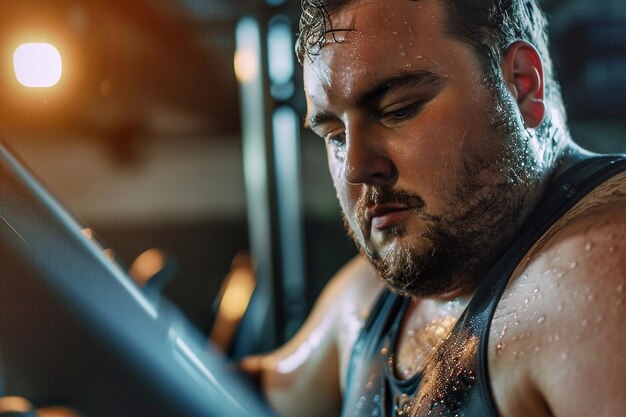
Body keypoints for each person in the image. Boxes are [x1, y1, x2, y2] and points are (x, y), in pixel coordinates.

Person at [240, 0, 626, 416]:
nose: (355, 168)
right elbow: (230, 394)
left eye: (398, 110)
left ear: (521, 85)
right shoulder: (367, 301)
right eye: (334, 135)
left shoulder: (600, 263)